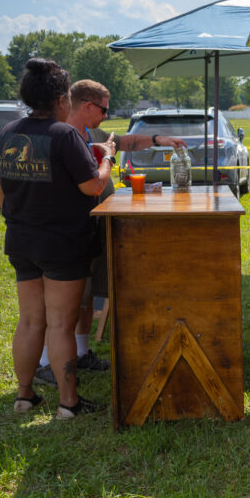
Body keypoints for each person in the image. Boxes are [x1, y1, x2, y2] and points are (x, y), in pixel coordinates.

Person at [32, 80, 185, 387]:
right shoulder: (63, 135)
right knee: (64, 302)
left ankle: (82, 352)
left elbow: (125, 142)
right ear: (87, 105)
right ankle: (46, 362)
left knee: (86, 296)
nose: (106, 115)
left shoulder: (92, 133)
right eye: (103, 109)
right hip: (68, 231)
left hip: (93, 228)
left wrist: (158, 139)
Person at [0, 59, 109, 419]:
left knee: (30, 321)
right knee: (60, 324)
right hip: (62, 243)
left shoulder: (8, 131)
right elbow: (93, 185)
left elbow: (0, 190)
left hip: (22, 240)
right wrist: (107, 158)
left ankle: (24, 396)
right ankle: (68, 402)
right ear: (61, 99)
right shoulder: (64, 135)